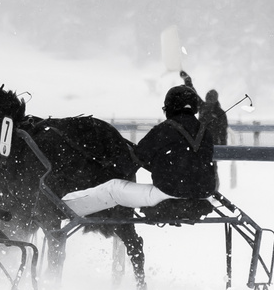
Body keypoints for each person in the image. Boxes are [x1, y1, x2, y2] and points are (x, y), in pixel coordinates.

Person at [59, 80, 217, 218]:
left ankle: (63, 210)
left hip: (166, 194)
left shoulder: (163, 130)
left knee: (113, 188)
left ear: (170, 107)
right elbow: (186, 163)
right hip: (204, 193)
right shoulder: (206, 133)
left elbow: (129, 165)